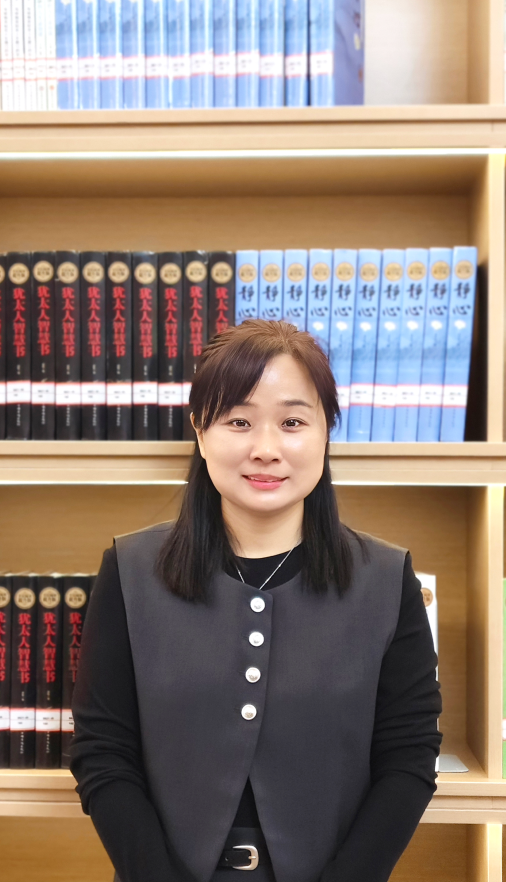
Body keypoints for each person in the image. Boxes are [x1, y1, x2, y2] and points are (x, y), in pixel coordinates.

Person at [70, 319, 442, 882]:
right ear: (200, 432)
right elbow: (103, 752)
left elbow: (409, 757)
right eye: (239, 421)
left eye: (292, 422)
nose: (266, 450)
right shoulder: (130, 572)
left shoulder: (388, 581)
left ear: (325, 432)